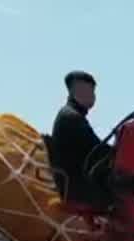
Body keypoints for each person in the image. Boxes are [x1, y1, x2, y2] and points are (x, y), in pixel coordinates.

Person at [48, 70, 115, 208]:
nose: (94, 96)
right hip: (80, 187)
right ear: (77, 91)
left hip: (79, 182)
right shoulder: (71, 118)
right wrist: (120, 152)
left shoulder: (71, 115)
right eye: (90, 91)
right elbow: (96, 149)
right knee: (129, 182)